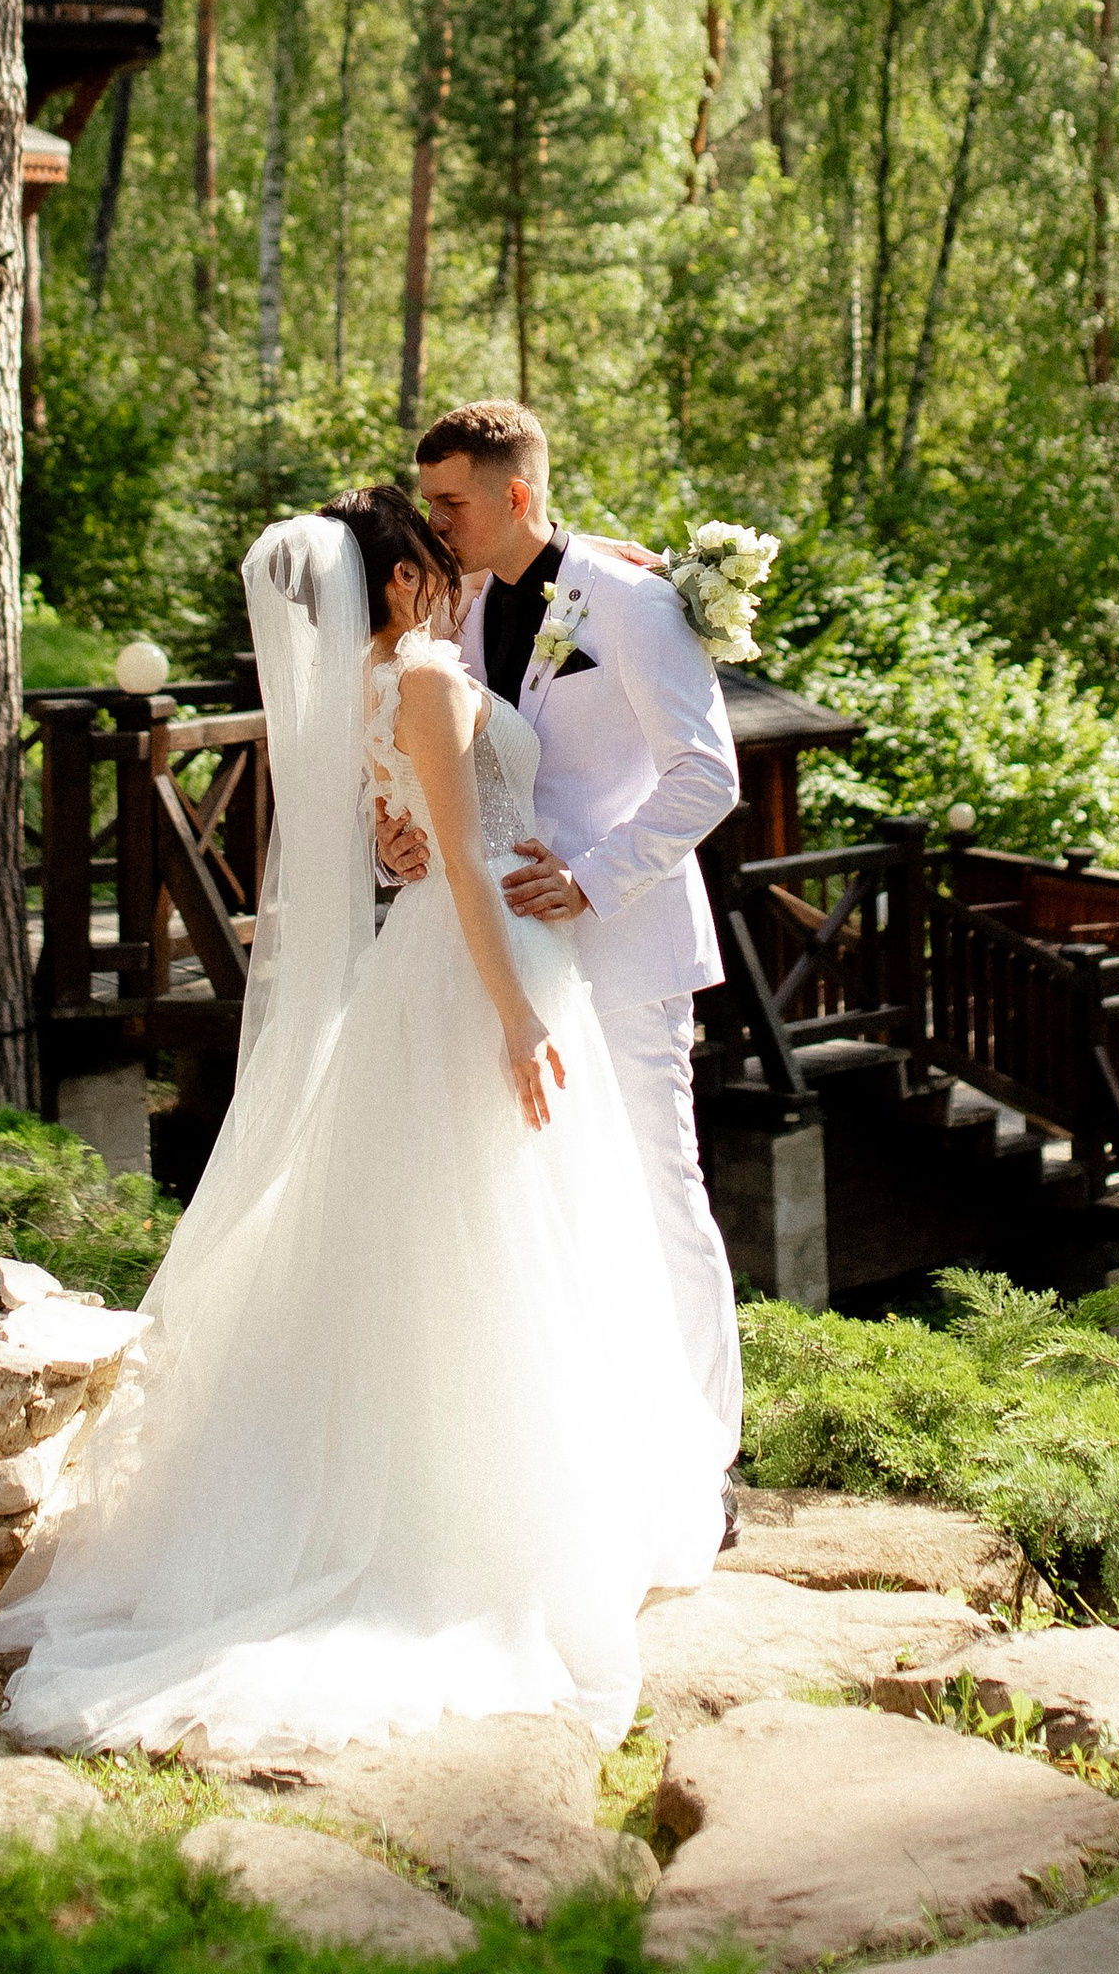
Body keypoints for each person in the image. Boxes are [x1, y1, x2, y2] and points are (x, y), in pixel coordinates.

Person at [0, 484, 722, 1760]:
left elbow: (417, 834)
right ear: (401, 580)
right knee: (502, 1232)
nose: (452, 567)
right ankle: (487, 1524)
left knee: (477, 1232)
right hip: (482, 966)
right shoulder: (425, 676)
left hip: (444, 957)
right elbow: (469, 867)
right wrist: (515, 1015)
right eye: (433, 551)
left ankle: (521, 1491)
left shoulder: (377, 681)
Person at [386, 402, 745, 1484]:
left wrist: (591, 879)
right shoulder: (451, 610)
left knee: (656, 1190)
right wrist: (399, 841)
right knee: (543, 1203)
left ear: (518, 494)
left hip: (625, 948)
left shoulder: (631, 601)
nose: (435, 523)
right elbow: (454, 770)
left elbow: (707, 774)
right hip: (501, 958)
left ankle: (704, 1462)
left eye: (452, 502)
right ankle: (591, 1457)